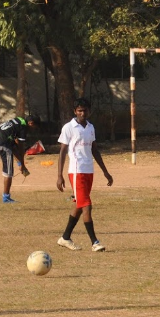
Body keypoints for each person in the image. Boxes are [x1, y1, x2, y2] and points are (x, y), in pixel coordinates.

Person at [56, 98, 113, 252]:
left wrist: (105, 171)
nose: (82, 113)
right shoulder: (68, 127)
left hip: (89, 170)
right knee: (87, 205)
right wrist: (59, 175)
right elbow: (62, 152)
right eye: (79, 110)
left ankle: (65, 238)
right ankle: (95, 242)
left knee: (79, 205)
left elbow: (94, 150)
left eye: (85, 110)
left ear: (89, 111)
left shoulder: (90, 127)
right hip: (76, 171)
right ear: (75, 111)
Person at [0, 115, 39, 203]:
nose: (34, 129)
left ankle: (6, 196)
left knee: (12, 145)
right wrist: (23, 164)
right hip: (2, 143)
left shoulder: (18, 120)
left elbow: (13, 145)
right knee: (9, 172)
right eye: (35, 127)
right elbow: (20, 148)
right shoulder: (23, 127)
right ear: (31, 123)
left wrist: (20, 164)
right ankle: (6, 197)